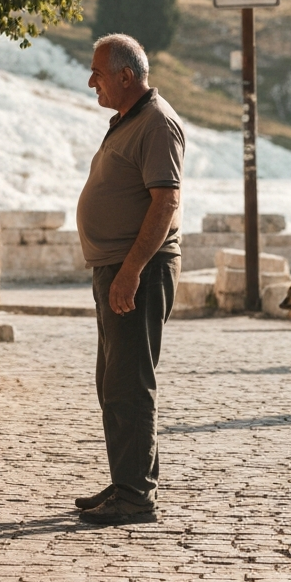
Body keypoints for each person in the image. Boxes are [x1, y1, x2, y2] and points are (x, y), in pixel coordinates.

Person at [74, 34, 184, 525]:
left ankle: (136, 497)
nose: (91, 80)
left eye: (98, 72)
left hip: (138, 270)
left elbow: (166, 203)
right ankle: (129, 479)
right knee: (113, 380)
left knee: (129, 382)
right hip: (117, 268)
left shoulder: (157, 123)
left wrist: (131, 271)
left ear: (125, 75)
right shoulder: (129, 120)